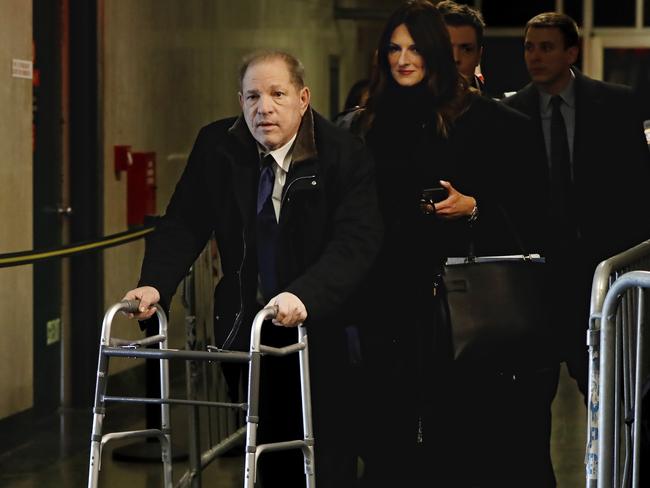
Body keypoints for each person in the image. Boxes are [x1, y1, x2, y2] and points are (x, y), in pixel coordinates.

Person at [123, 50, 383, 488]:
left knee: (328, 452)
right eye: (252, 96)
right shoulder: (219, 146)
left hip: (323, 325)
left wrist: (307, 295)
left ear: (303, 98)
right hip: (248, 323)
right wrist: (154, 285)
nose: (263, 107)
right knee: (267, 452)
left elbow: (355, 241)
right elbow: (185, 221)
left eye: (277, 94)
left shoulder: (343, 153)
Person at [338, 1, 551, 485]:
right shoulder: (361, 127)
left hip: (461, 311)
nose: (403, 58)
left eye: (414, 47)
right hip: (380, 308)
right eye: (393, 48)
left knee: (460, 443)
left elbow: (538, 221)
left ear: (435, 50)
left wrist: (475, 207)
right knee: (385, 446)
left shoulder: (494, 123)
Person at [502, 12, 650, 400]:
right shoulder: (511, 111)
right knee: (530, 401)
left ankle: (608, 463)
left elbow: (637, 187)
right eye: (529, 47)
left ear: (572, 51)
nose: (534, 57)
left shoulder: (615, 103)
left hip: (599, 272)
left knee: (608, 393)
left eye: (546, 48)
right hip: (537, 279)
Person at [437, 0, 486, 92]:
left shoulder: (493, 106)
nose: (456, 58)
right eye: (447, 48)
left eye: (466, 49)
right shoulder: (407, 104)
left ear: (479, 56)